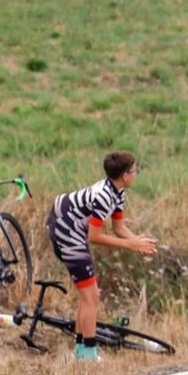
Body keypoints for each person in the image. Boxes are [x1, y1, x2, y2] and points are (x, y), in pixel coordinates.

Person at [47, 150, 158, 361]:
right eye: (136, 170)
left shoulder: (118, 191)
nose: (137, 174)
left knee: (87, 295)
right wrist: (131, 245)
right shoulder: (104, 196)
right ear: (125, 175)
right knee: (91, 297)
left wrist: (137, 241)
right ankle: (88, 353)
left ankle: (81, 350)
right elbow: (95, 236)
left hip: (72, 229)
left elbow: (118, 227)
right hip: (66, 231)